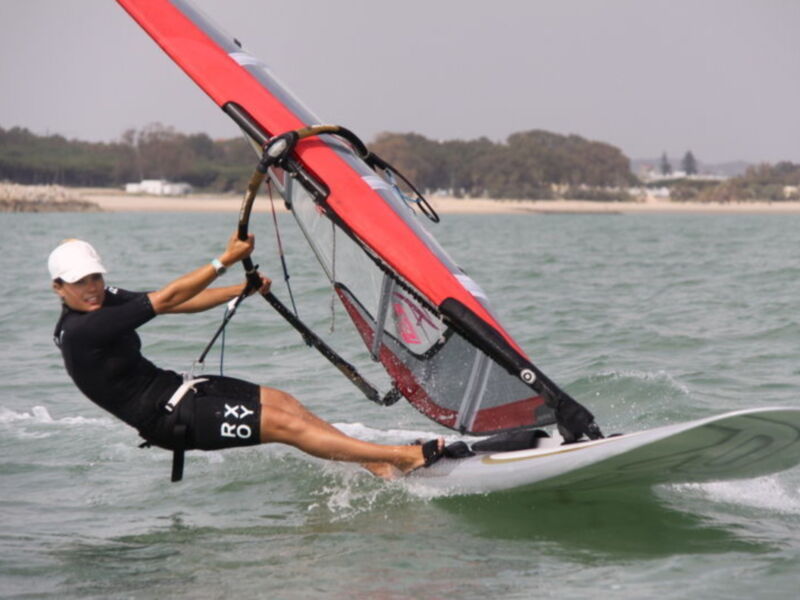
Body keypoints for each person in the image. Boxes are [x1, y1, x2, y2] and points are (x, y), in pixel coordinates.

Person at [49, 233, 444, 480]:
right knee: (283, 425)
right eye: (79, 282)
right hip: (168, 420)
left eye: (95, 277)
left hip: (177, 389)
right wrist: (223, 260)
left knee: (284, 402)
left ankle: (375, 464)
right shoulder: (83, 331)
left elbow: (177, 303)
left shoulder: (102, 300)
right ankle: (402, 457)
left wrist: (241, 289)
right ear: (58, 288)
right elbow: (167, 298)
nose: (92, 287)